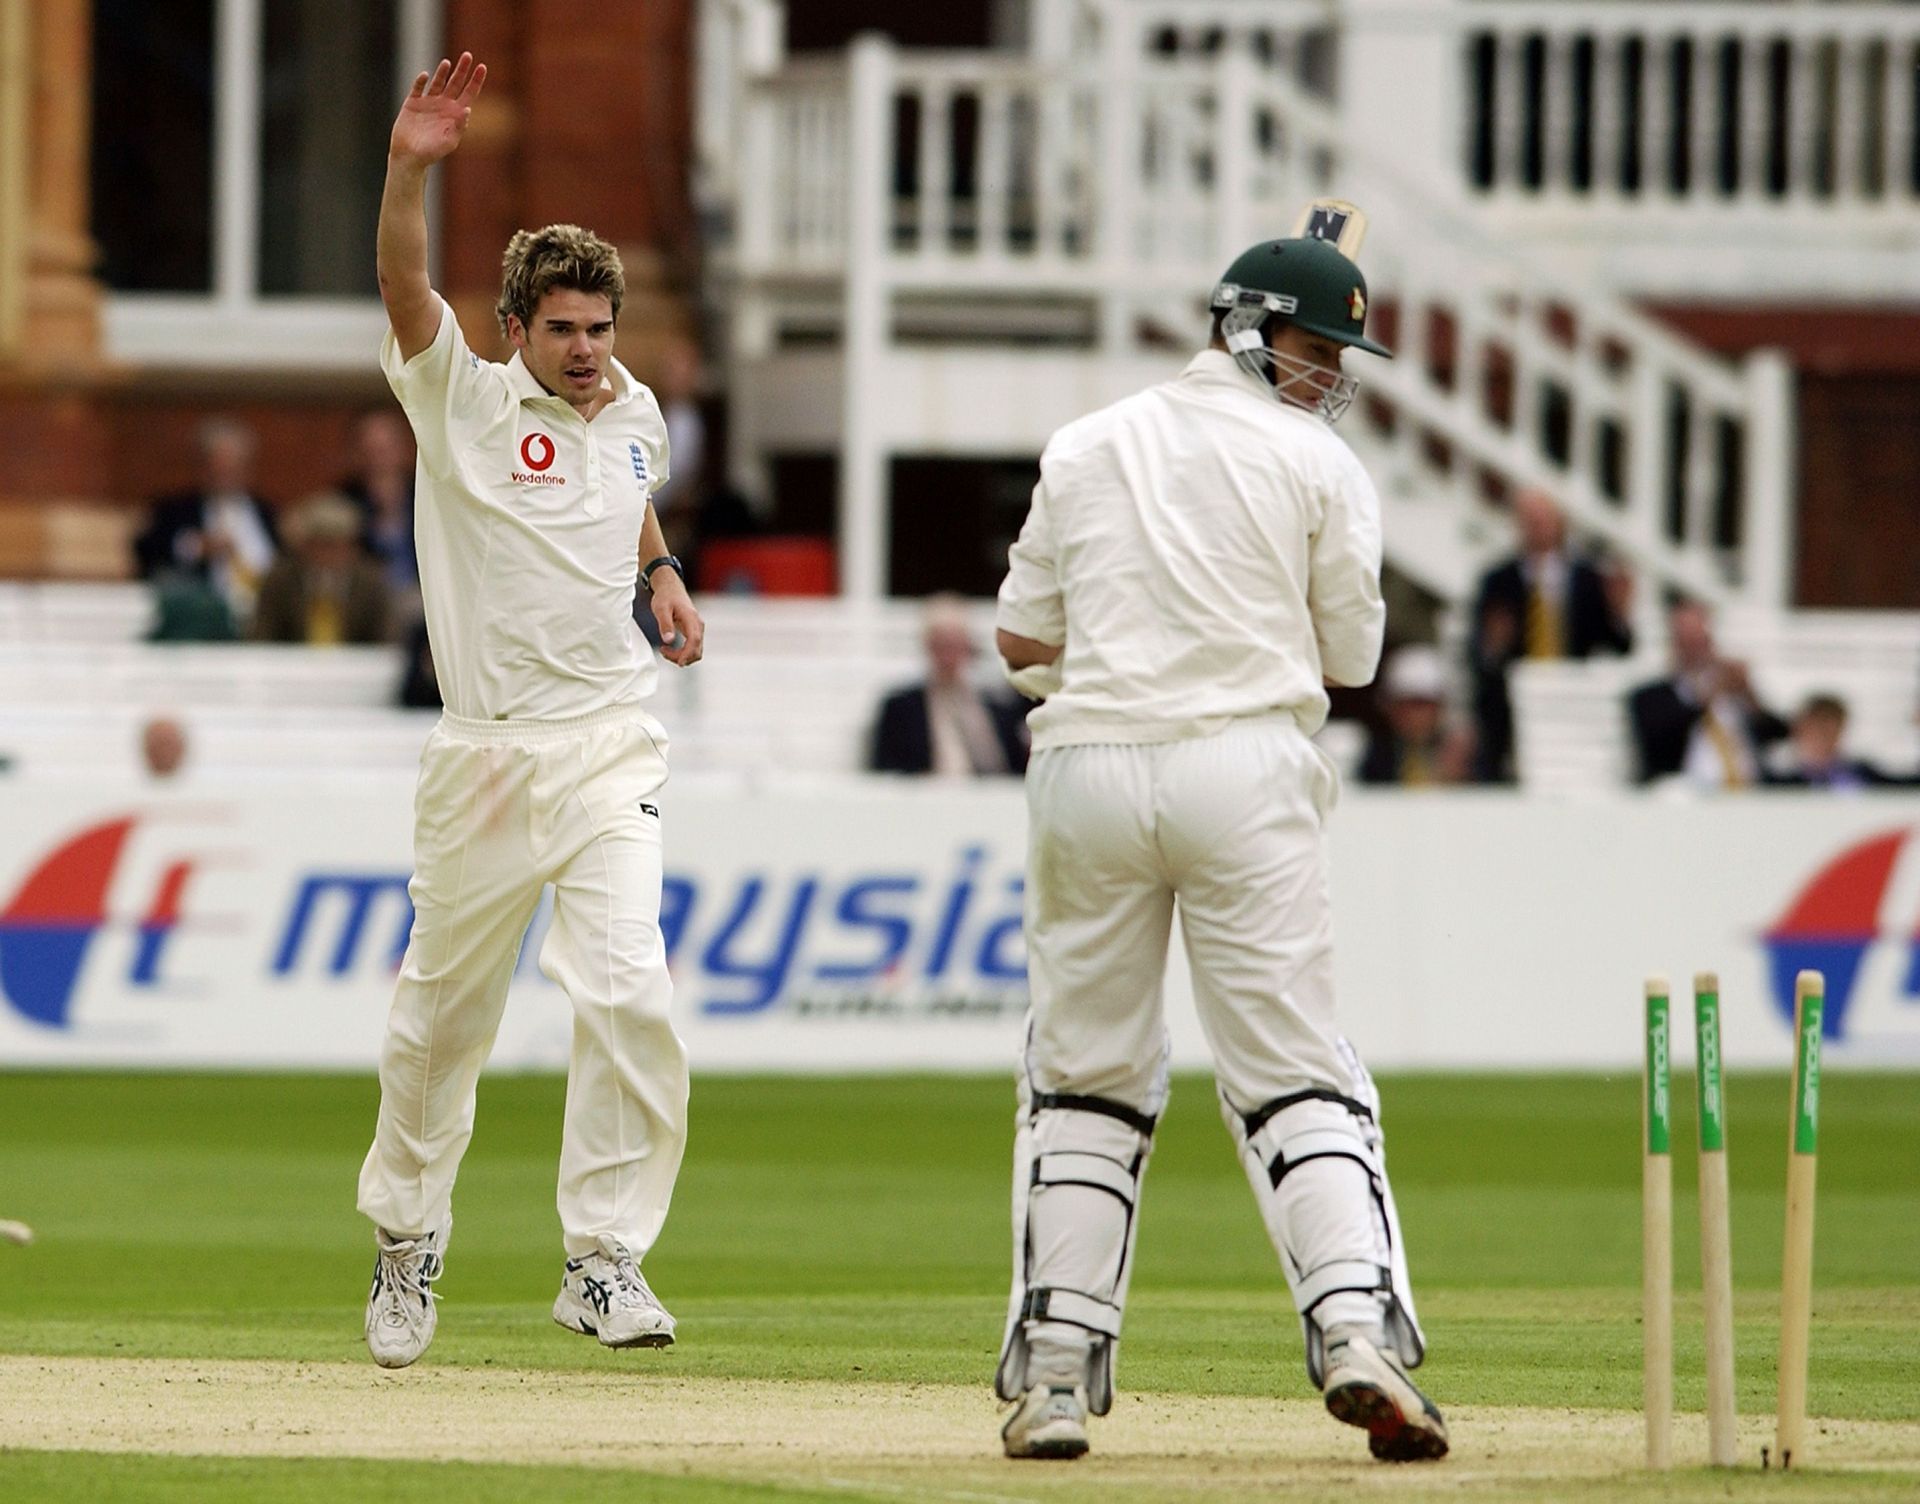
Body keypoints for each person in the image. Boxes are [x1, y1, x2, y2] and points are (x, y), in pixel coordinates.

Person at [990, 236, 1446, 1463]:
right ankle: (1352, 1331)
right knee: (1295, 1069)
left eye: (1336, 355)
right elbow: (1348, 660)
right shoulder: (1323, 464)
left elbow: (1019, 640)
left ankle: (1053, 1375)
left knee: (1084, 1075)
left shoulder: (1088, 443)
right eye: (1313, 347)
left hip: (1087, 768)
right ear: (1248, 329)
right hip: (1242, 765)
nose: (1327, 373)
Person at [356, 52, 705, 1372]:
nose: (585, 352)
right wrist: (408, 173)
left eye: (600, 329)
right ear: (514, 330)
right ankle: (406, 1240)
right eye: (562, 329)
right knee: (440, 1024)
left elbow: (626, 496)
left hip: (609, 750)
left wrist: (658, 569)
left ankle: (604, 1260)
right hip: (488, 761)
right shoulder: (460, 401)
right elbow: (402, 287)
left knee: (631, 993)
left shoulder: (636, 415)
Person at [1467, 488, 1632, 782]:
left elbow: (1619, 646)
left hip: (1574, 691)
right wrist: (1495, 644)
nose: (1538, 529)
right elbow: (1479, 654)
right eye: (1530, 521)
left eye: (1544, 521)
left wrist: (1619, 615)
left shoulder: (1588, 579)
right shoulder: (1497, 581)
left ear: (1561, 526)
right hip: (1513, 693)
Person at [132, 418, 280, 627]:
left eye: (234, 466)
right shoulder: (174, 510)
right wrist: (195, 547)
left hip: (264, 619)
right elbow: (146, 552)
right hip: (202, 620)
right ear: (202, 466)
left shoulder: (267, 512)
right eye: (219, 465)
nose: (226, 474)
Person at [1628, 599, 1787, 788]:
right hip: (1686, 799)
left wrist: (1749, 696)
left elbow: (1781, 734)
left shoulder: (1734, 695)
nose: (1697, 648)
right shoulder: (1649, 697)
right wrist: (1704, 699)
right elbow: (1658, 746)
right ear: (1674, 643)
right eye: (1688, 640)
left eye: (1701, 639)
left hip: (1749, 794)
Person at [870, 595, 1030, 777]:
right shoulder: (901, 708)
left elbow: (1013, 768)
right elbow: (883, 767)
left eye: (955, 645)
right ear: (927, 646)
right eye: (941, 645)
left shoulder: (998, 705)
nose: (948, 655)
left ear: (968, 647)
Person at [250, 493, 394, 645]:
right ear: (307, 546)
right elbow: (261, 638)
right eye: (323, 545)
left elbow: (386, 642)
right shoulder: (280, 581)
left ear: (352, 548)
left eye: (338, 546)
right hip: (293, 666)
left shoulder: (372, 583)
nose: (330, 555)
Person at [1357, 646, 1473, 787]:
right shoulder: (1372, 753)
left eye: (1424, 704)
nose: (1416, 716)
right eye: (1408, 705)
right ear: (1389, 707)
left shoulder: (1465, 755)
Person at [339, 406, 419, 595]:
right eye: (371, 449)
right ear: (357, 452)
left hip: (422, 595)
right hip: (366, 599)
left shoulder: (426, 497)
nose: (379, 459)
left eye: (385, 448)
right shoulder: (344, 499)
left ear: (403, 449)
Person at [1762, 693, 1899, 790]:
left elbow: (1906, 788)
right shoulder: (1779, 778)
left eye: (1833, 728)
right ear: (1800, 727)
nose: (1825, 735)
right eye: (1819, 727)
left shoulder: (1863, 773)